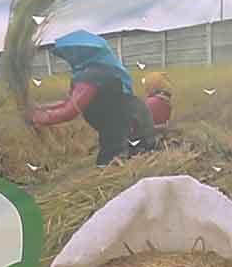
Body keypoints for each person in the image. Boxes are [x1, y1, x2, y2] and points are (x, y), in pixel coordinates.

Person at [27, 28, 162, 166]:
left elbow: (71, 109)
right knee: (114, 153)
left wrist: (40, 118)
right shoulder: (89, 72)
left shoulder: (93, 75)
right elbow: (70, 101)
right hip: (123, 120)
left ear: (82, 54)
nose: (68, 57)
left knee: (112, 161)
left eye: (72, 53)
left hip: (129, 123)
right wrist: (41, 108)